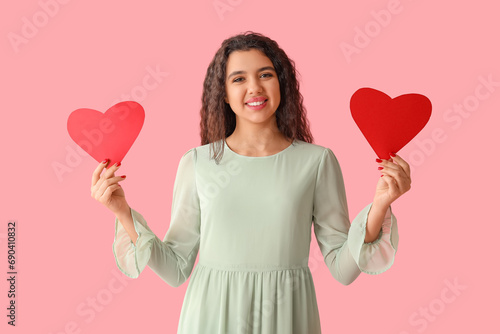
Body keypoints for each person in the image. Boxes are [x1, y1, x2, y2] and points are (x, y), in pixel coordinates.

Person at [90, 31, 411, 333]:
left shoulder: (317, 161)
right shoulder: (197, 163)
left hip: (288, 315)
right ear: (224, 94)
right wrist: (122, 211)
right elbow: (175, 269)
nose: (254, 87)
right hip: (211, 315)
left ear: (281, 84)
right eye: (239, 78)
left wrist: (381, 203)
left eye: (265, 74)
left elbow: (343, 269)